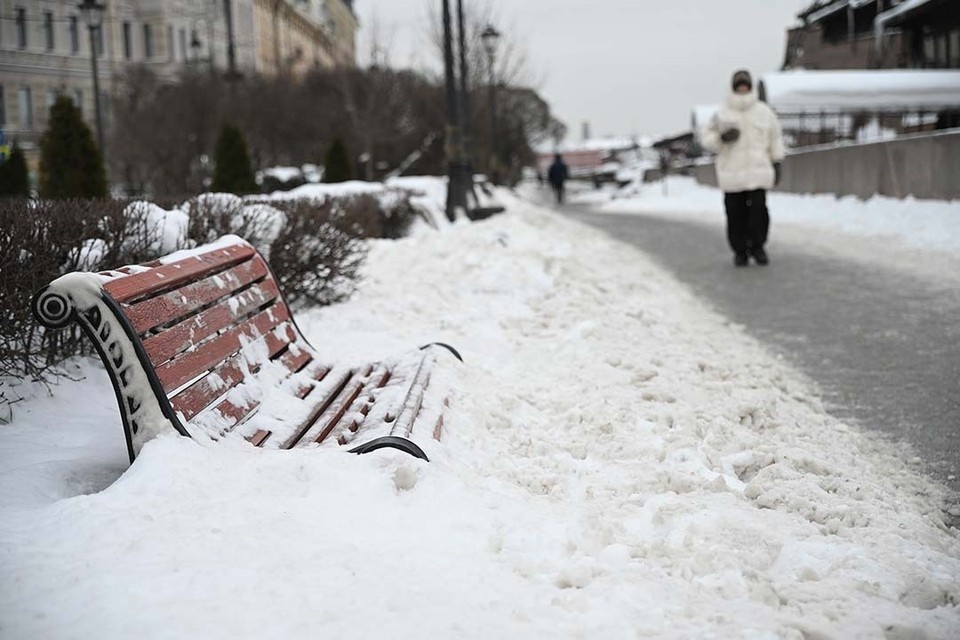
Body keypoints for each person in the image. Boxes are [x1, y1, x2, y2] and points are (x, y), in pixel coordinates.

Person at [702, 70, 785, 267]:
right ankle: (740, 251)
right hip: (731, 173)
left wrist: (777, 161)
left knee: (759, 211)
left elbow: (775, 137)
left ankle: (758, 246)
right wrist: (721, 138)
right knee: (735, 214)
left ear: (750, 87)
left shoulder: (764, 112)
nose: (742, 89)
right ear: (733, 87)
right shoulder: (722, 113)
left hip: (758, 171)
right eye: (738, 86)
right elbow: (706, 138)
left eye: (745, 85)